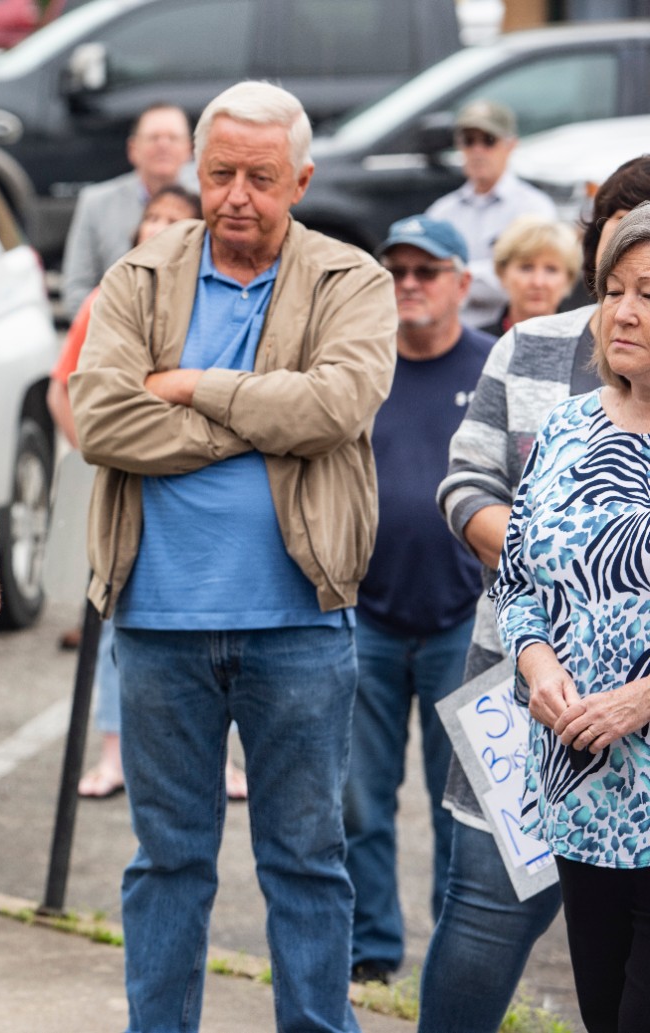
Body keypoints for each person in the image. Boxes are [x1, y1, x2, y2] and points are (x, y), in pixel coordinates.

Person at [69, 80, 397, 1032]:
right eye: (220, 174)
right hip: (158, 622)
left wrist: (194, 387)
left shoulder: (352, 280)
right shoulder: (140, 275)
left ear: (301, 178)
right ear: (194, 172)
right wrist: (258, 420)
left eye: (261, 177)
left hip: (300, 621)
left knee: (304, 860)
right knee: (166, 862)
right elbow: (100, 418)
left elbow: (337, 406)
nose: (238, 196)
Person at [425, 154, 650, 1033]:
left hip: (631, 732)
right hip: (543, 726)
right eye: (620, 279)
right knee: (487, 913)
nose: (629, 304)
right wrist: (544, 635)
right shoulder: (546, 374)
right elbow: (472, 494)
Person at [492, 200, 650, 1033]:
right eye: (614, 289)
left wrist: (641, 698)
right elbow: (517, 580)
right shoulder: (566, 427)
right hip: (580, 795)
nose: (623, 311)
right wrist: (537, 662)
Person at [342, 215, 495, 986]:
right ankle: (371, 949)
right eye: (396, 270)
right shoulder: (361, 366)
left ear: (463, 283)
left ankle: (452, 956)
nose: (408, 284)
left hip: (462, 619)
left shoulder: (492, 367)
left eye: (426, 271)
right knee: (360, 799)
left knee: (457, 806)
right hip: (365, 614)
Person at [47, 185, 202, 800]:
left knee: (211, 627)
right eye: (152, 217)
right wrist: (96, 454)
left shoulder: (212, 301)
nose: (159, 226)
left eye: (174, 218)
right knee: (113, 621)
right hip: (121, 484)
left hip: (188, 493)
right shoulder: (108, 297)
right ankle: (114, 753)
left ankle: (216, 759)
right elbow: (65, 388)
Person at [426, 99, 556, 329]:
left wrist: (453, 276)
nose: (477, 150)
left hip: (513, 330)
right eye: (469, 141)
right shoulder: (442, 211)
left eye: (488, 140)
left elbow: (534, 279)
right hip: (450, 332)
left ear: (510, 145)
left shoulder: (534, 208)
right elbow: (427, 277)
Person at [59, 103, 193, 318]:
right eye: (153, 138)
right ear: (133, 149)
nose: (163, 145)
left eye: (173, 138)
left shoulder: (205, 202)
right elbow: (76, 292)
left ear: (189, 149)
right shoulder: (96, 202)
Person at [482, 214, 581, 337]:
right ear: (502, 273)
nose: (538, 282)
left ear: (569, 278)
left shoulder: (590, 349)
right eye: (526, 268)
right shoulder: (477, 348)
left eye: (551, 269)